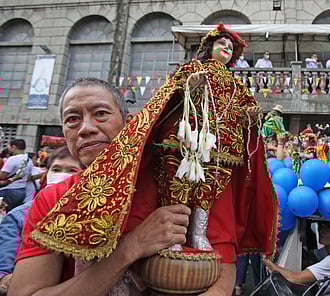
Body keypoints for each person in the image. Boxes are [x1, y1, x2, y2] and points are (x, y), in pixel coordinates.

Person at [8, 78, 192, 296]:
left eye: (101, 114)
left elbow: (222, 270)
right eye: (73, 119)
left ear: (129, 123)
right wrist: (130, 248)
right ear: (64, 133)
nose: (86, 129)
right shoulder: (54, 198)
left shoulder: (174, 183)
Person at [0, 146, 83, 295]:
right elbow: (4, 271)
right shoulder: (19, 215)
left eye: (72, 171)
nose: (61, 176)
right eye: (56, 169)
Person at [264, 222, 330, 291]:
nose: (322, 230)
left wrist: (270, 264)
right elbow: (309, 255)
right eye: (321, 226)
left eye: (329, 228)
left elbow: (295, 278)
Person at [0, 139, 34, 212]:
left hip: (8, 190)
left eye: (9, 147)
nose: (9, 149)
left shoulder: (13, 159)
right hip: (22, 190)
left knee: (3, 212)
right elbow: (28, 177)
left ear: (14, 147)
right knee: (12, 212)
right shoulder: (29, 160)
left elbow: (2, 176)